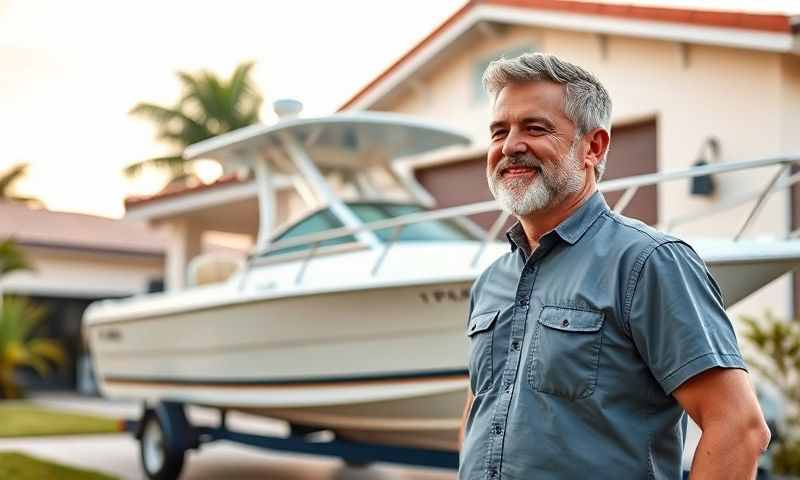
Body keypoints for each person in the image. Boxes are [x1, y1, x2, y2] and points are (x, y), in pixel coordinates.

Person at [458, 52, 770, 479]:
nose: (511, 146)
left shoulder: (648, 263)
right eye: (499, 131)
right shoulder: (492, 282)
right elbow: (482, 410)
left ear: (593, 146)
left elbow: (738, 427)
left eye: (535, 128)